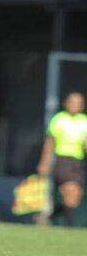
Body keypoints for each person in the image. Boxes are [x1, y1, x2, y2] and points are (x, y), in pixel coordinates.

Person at [37, 91, 87, 227]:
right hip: (63, 160)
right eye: (72, 102)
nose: (74, 105)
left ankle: (51, 215)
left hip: (78, 161)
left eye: (78, 103)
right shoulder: (59, 119)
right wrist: (44, 162)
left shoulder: (84, 121)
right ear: (66, 103)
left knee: (76, 197)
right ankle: (70, 228)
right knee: (70, 191)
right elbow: (49, 143)